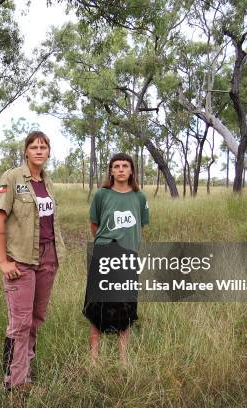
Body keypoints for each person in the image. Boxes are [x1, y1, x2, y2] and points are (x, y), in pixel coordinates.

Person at [0, 131, 66, 391]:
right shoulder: (12, 178)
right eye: (34, 147)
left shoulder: (48, 182)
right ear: (26, 151)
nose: (38, 150)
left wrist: (55, 256)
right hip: (21, 258)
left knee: (36, 318)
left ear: (48, 152)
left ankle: (25, 373)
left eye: (43, 147)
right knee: (20, 322)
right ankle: (12, 381)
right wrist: (3, 261)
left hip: (48, 256)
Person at [84, 152, 149, 365]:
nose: (120, 169)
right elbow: (95, 226)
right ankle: (94, 360)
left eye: (125, 166)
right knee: (97, 306)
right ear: (111, 171)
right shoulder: (101, 195)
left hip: (128, 257)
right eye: (116, 166)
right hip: (104, 254)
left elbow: (141, 227)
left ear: (131, 171)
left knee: (126, 307)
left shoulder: (139, 197)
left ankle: (123, 359)